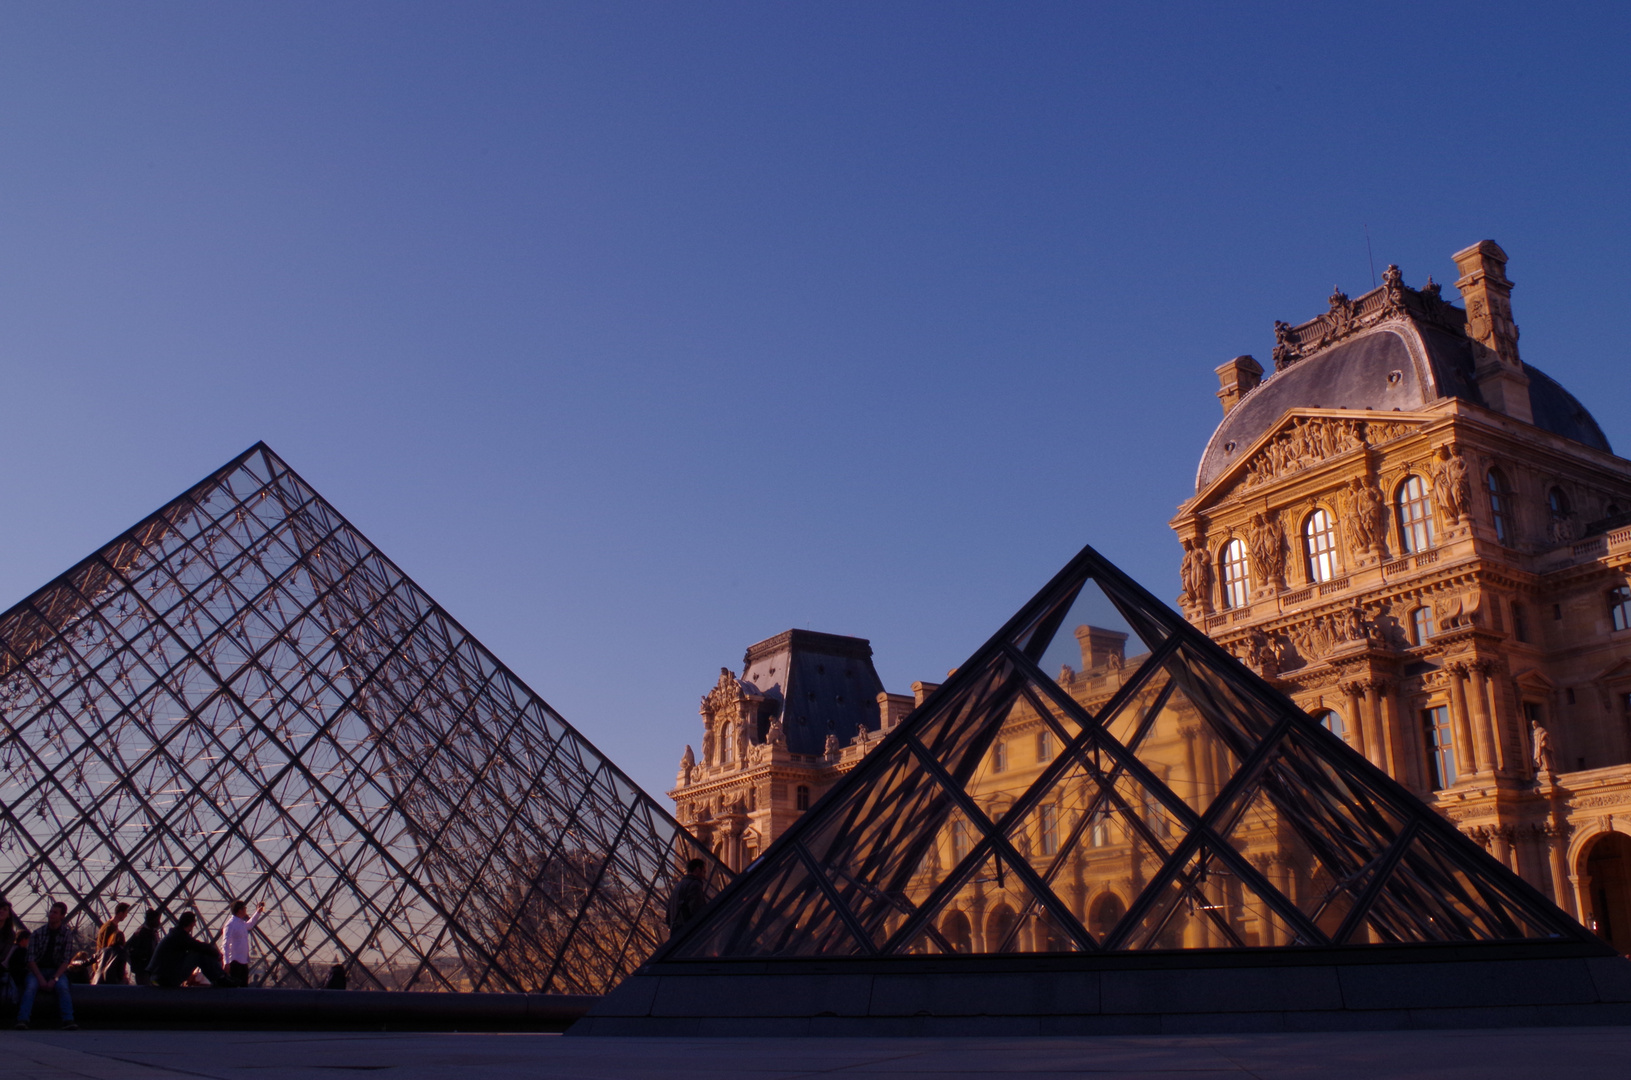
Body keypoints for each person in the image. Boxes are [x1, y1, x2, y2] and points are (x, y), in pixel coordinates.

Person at [17, 901, 77, 1030]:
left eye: (55, 912)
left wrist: (54, 979)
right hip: (37, 971)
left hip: (57, 972)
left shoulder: (67, 935)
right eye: (51, 911)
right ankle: (22, 1020)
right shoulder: (37, 933)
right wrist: (41, 979)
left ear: (62, 916)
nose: (51, 914)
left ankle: (68, 1020)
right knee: (31, 987)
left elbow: (66, 961)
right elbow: (30, 959)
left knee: (62, 987)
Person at [148, 912, 231, 988]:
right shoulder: (180, 937)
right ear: (191, 924)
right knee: (198, 954)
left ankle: (220, 977)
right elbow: (198, 946)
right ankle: (220, 978)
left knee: (198, 952)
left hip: (158, 977)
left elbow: (197, 945)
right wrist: (217, 954)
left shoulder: (175, 934)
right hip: (165, 978)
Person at [218, 900, 265, 987]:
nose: (246, 910)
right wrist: (226, 962)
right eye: (245, 908)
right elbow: (225, 944)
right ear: (240, 910)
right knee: (235, 988)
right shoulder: (230, 924)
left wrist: (258, 912)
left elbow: (250, 925)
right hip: (234, 961)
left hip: (243, 961)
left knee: (243, 987)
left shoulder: (241, 923)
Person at [665, 859, 709, 932]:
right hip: (688, 933)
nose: (704, 876)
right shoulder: (695, 885)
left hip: (676, 933)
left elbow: (668, 918)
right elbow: (697, 911)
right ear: (697, 870)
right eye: (704, 872)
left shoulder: (677, 887)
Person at [93, 902, 132, 985]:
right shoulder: (110, 927)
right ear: (121, 913)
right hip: (105, 968)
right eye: (126, 913)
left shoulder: (109, 925)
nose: (126, 916)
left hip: (102, 966)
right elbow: (105, 949)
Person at [126, 910, 161, 986]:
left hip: (147, 969)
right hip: (144, 970)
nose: (159, 923)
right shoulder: (141, 933)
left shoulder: (151, 933)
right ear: (152, 920)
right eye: (157, 920)